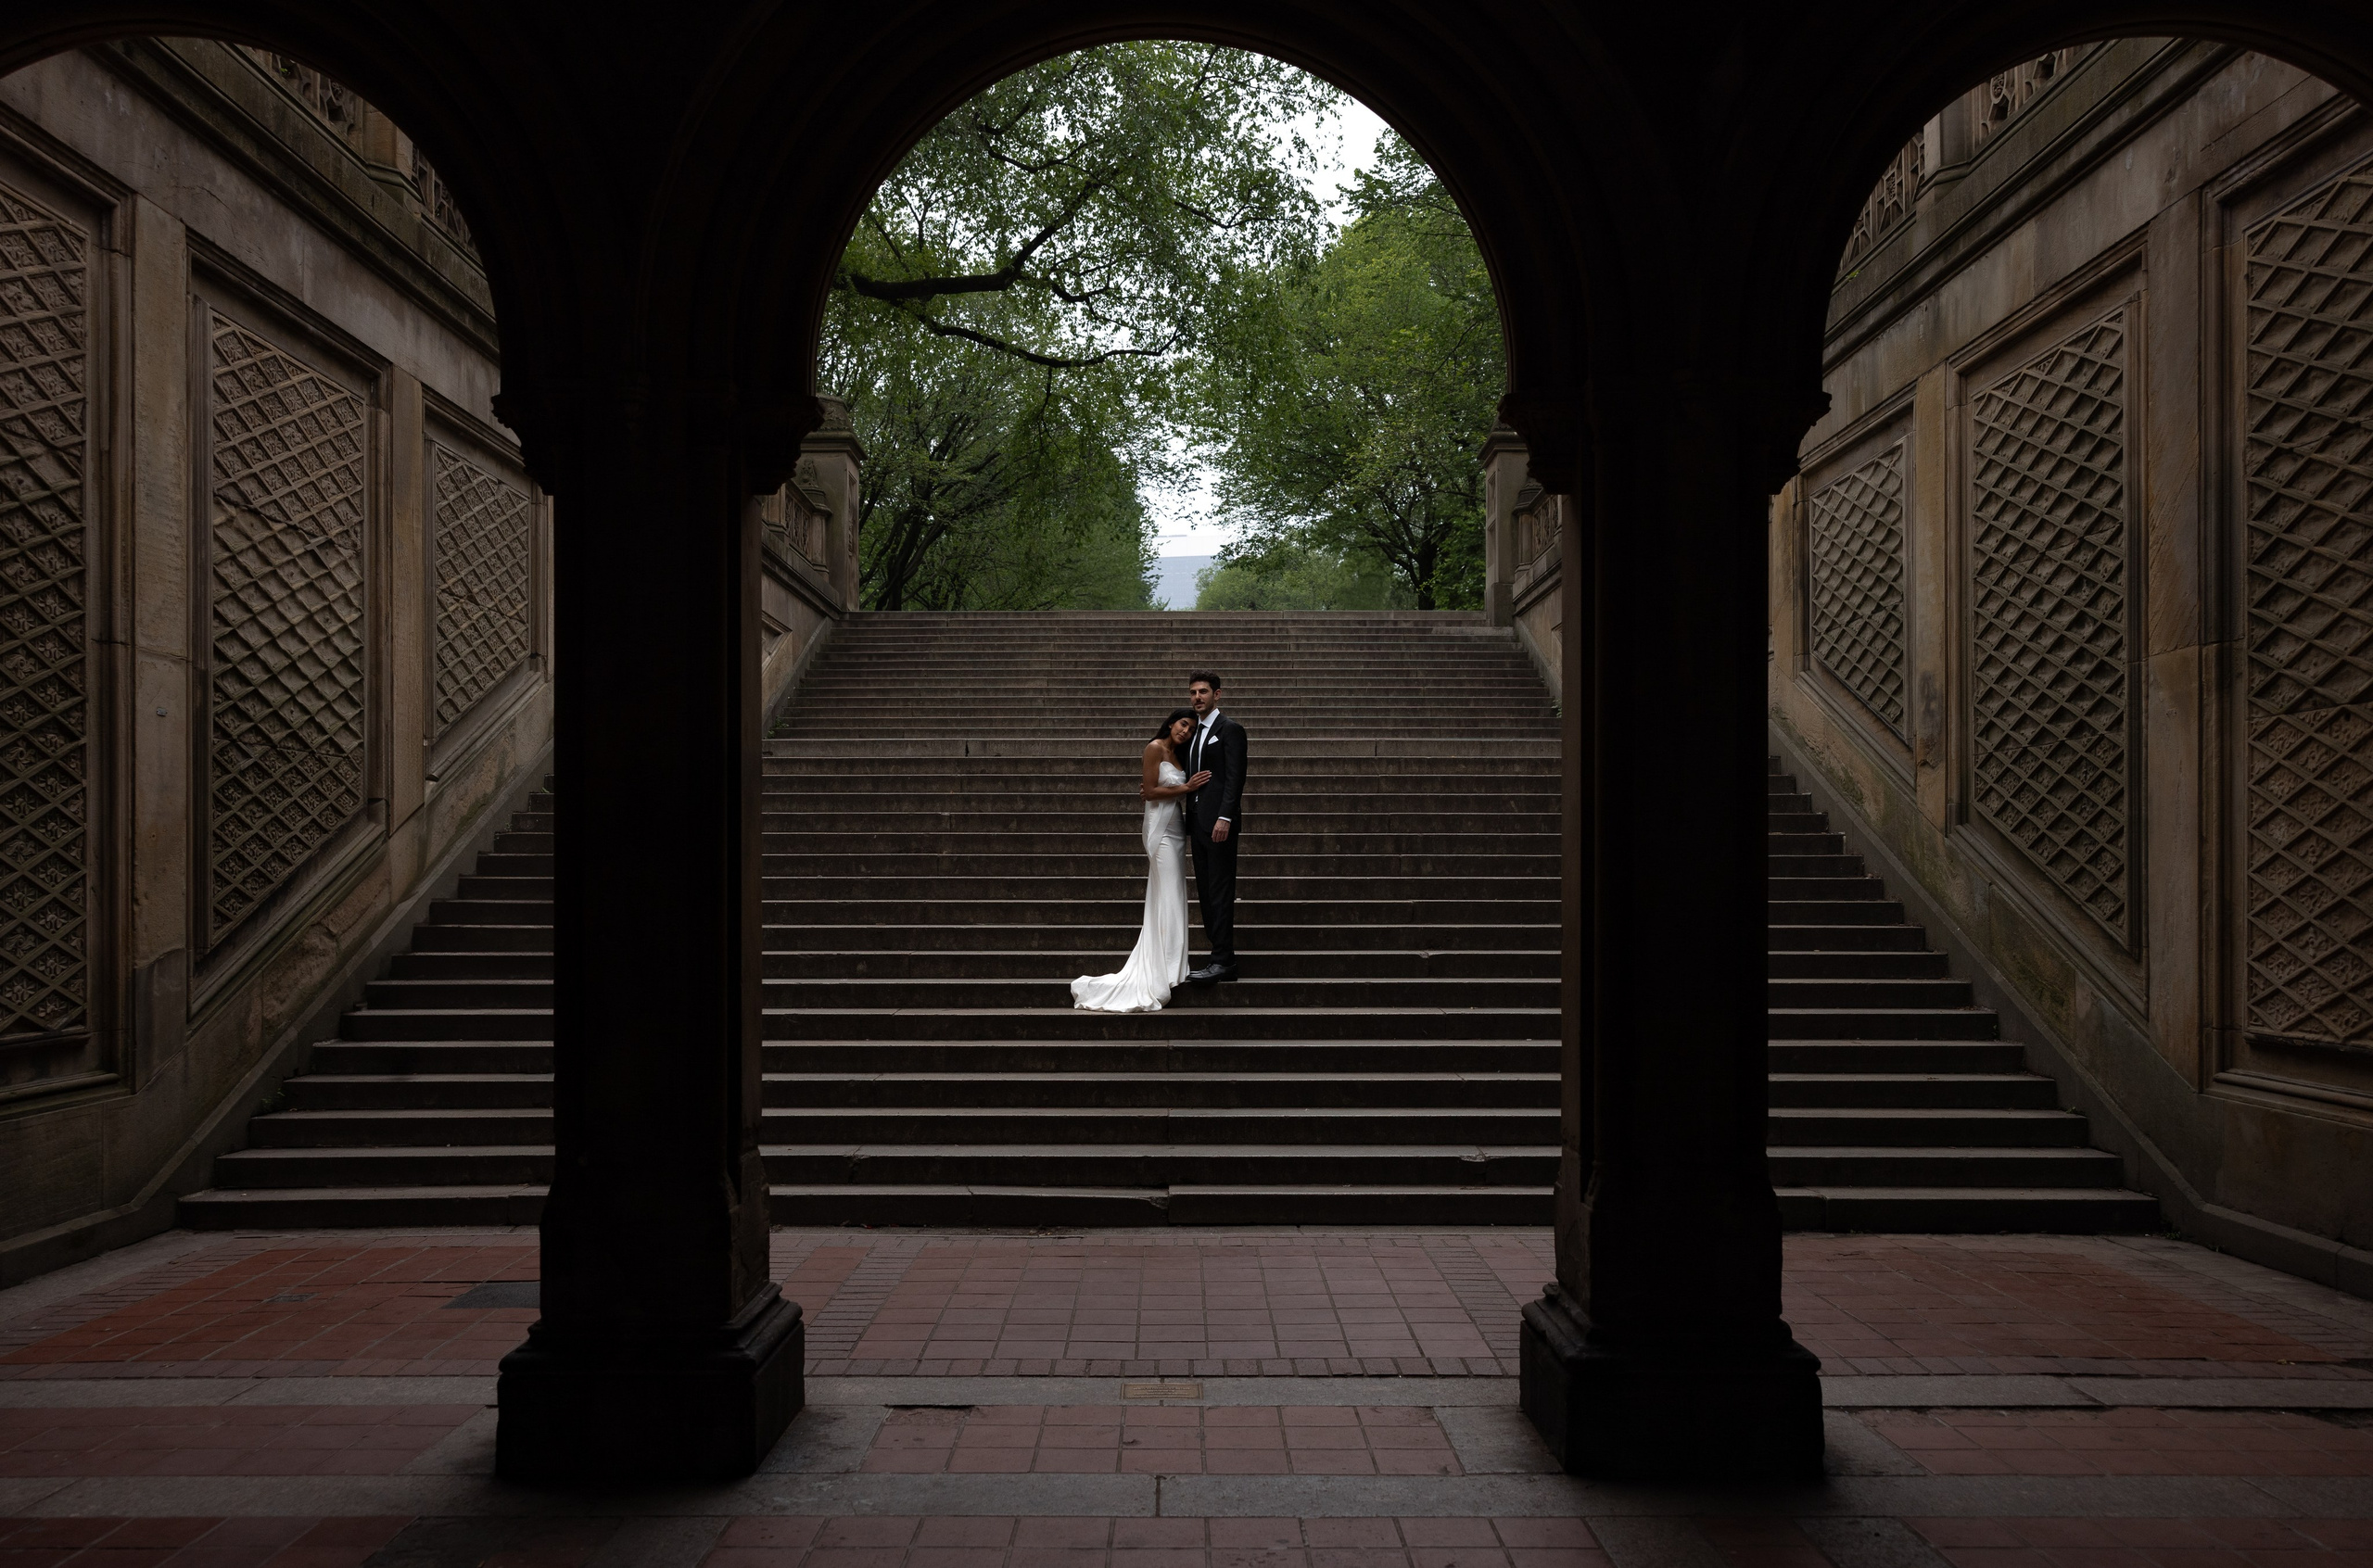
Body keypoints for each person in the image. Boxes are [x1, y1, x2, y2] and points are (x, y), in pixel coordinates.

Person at [1071, 710, 1211, 1013]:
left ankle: (1172, 963)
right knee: (1170, 894)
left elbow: (1162, 790)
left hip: (1175, 827)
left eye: (1190, 729)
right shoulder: (1154, 748)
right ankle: (1165, 968)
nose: (1185, 731)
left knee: (1172, 895)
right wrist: (1186, 788)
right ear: (1172, 722)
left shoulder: (1178, 754)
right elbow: (1148, 791)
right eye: (1183, 724)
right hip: (1159, 829)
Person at [1182, 671, 1248, 983]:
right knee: (1207, 893)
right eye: (1193, 692)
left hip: (1219, 824)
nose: (1197, 697)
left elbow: (1234, 779)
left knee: (1220, 892)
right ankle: (1218, 954)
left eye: (1204, 692)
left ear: (1217, 695)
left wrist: (1226, 816)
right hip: (1196, 823)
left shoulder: (1230, 730)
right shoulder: (1192, 732)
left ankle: (1224, 960)